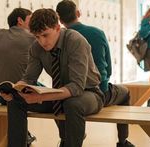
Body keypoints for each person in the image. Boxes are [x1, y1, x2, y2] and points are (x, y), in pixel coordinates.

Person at [0, 8, 104, 147]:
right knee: (15, 101)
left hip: (89, 93)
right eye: (37, 36)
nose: (42, 41)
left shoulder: (75, 41)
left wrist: (41, 97)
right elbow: (29, 78)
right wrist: (14, 89)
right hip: (60, 94)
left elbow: (77, 88)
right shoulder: (36, 47)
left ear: (57, 28)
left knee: (72, 104)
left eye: (45, 35)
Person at [56, 1, 134, 147]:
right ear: (78, 13)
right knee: (126, 93)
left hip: (69, 93)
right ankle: (123, 142)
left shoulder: (58, 38)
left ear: (59, 19)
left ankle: (65, 138)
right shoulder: (97, 33)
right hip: (100, 93)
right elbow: (108, 68)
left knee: (62, 100)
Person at [0, 8, 36, 146]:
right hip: (17, 92)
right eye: (31, 19)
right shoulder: (31, 38)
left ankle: (24, 136)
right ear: (20, 20)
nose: (34, 23)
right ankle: (65, 137)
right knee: (55, 96)